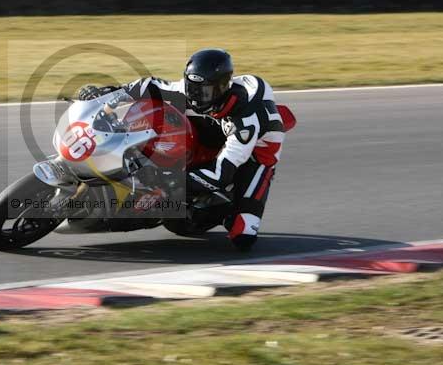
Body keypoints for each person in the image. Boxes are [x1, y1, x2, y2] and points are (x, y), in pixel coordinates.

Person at [77, 48, 293, 251]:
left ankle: (225, 208)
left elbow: (220, 173)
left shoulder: (245, 122)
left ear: (222, 88)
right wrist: (106, 95)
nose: (196, 96)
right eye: (192, 88)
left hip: (255, 154)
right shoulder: (194, 90)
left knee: (243, 236)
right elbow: (148, 86)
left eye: (205, 92)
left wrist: (170, 181)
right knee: (161, 114)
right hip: (213, 125)